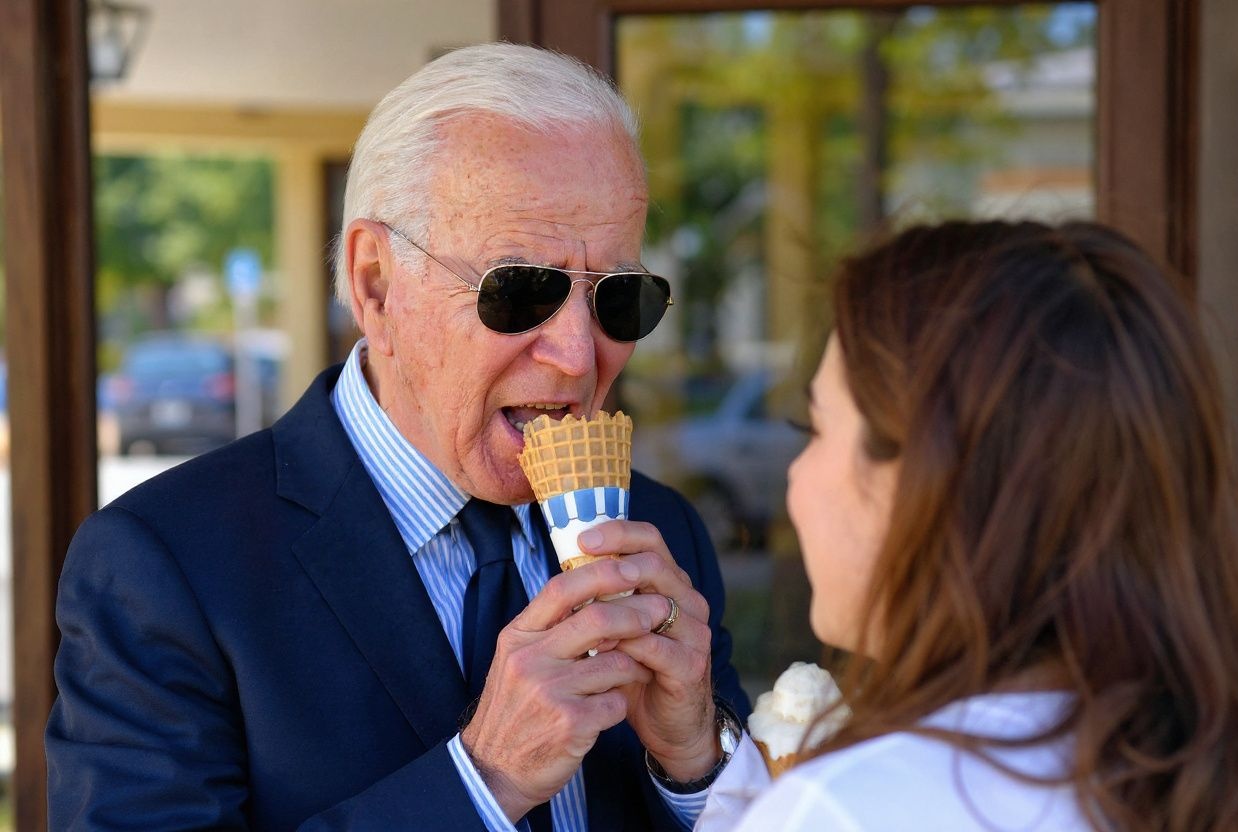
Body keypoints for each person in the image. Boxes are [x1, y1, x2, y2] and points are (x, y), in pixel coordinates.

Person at [46, 43, 749, 831]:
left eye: (619, 297)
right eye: (521, 289)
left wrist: (697, 763)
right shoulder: (166, 567)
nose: (580, 354)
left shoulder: (662, 536)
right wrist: (483, 781)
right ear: (375, 284)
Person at [697, 220, 1238, 830]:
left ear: (919, 479)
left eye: (816, 429)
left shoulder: (849, 806)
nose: (795, 476)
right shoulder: (1197, 763)